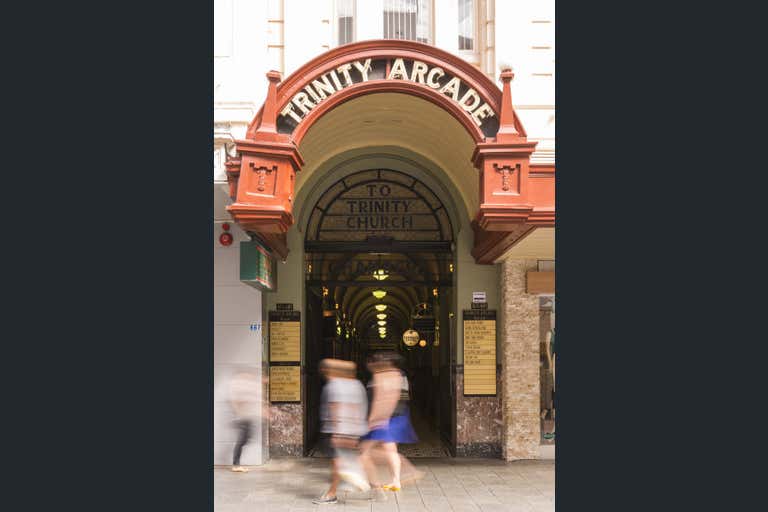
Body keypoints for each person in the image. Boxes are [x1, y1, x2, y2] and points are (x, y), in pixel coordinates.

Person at [359, 351, 418, 494]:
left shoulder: (381, 375)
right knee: (388, 449)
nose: (369, 365)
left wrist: (374, 419)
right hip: (396, 416)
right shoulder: (398, 374)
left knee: (365, 451)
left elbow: (382, 400)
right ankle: (396, 480)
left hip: (385, 419)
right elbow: (402, 396)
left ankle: (378, 483)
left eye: (371, 362)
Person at [313, 359, 370, 505]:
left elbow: (336, 408)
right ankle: (361, 483)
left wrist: (338, 432)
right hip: (354, 429)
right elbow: (358, 408)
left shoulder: (334, 385)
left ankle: (332, 493)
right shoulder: (357, 385)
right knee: (345, 460)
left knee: (338, 462)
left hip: (336, 430)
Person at [229, 371, 261, 472]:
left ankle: (236, 464)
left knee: (246, 439)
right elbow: (236, 403)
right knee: (241, 441)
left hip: (247, 418)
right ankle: (236, 465)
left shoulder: (246, 390)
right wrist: (239, 414)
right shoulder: (237, 390)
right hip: (242, 418)